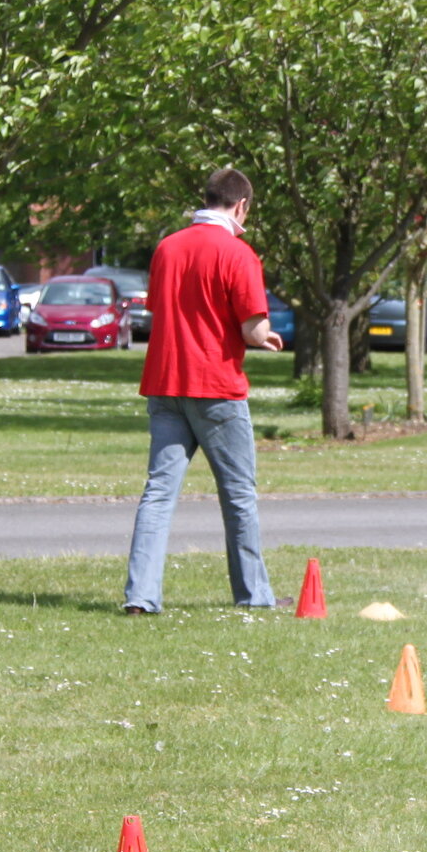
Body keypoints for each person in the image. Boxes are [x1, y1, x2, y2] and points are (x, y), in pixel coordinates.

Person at [125, 167, 286, 614]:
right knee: (238, 495)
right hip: (216, 388)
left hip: (165, 382)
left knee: (158, 492)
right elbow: (253, 327)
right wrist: (266, 337)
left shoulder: (167, 248)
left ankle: (141, 596)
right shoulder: (239, 254)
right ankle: (253, 595)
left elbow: (164, 309)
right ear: (241, 206)